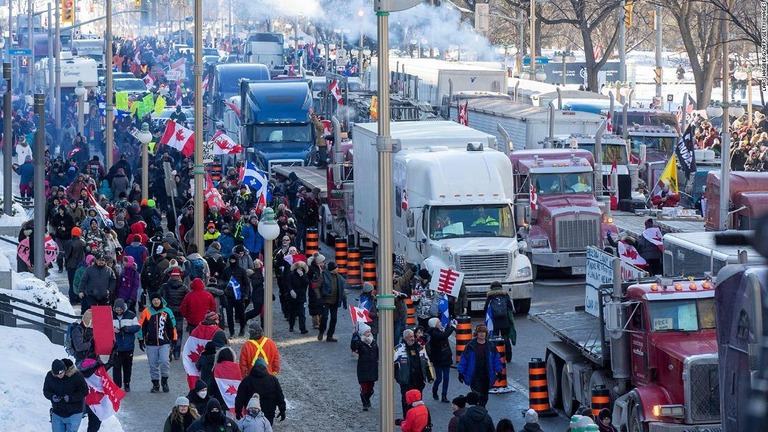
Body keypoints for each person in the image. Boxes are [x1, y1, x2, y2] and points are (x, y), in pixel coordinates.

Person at [139, 293, 177, 393]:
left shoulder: (167, 311)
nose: (156, 301)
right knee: (153, 364)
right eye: (154, 300)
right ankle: (155, 384)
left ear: (161, 300)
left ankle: (164, 381)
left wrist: (174, 339)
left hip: (164, 342)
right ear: (151, 301)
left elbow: (172, 326)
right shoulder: (147, 312)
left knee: (165, 361)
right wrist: (141, 339)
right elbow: (141, 326)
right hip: (151, 343)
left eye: (157, 299)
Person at [457, 324, 503, 407]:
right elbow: (464, 359)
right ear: (477, 334)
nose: (482, 334)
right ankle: (479, 409)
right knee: (477, 394)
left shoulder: (491, 346)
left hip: (486, 374)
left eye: (484, 332)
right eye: (480, 332)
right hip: (474, 375)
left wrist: (499, 371)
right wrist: (461, 372)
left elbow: (496, 359)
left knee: (485, 395)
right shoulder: (470, 346)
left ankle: (482, 409)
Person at [394, 328, 434, 418]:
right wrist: (398, 377)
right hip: (406, 380)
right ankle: (407, 418)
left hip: (419, 379)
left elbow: (427, 362)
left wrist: (430, 377)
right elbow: (391, 365)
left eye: (412, 336)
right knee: (406, 399)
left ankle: (417, 417)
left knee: (418, 399)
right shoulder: (398, 349)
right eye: (410, 337)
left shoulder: (420, 347)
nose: (412, 338)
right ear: (405, 338)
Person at [235, 359, 287, 425]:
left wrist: (238, 411)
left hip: (251, 414)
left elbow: (240, 397)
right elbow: (280, 396)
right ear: (265, 367)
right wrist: (282, 410)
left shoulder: (247, 380)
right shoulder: (273, 380)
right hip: (268, 414)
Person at [43, 358, 89, 432]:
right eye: (56, 375)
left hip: (74, 413)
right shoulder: (50, 376)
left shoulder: (76, 376)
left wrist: (71, 398)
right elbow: (46, 391)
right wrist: (52, 396)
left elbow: (85, 391)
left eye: (61, 373)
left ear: (65, 369)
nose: (59, 376)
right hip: (57, 412)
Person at [161, 266, 190, 359]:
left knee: (168, 331)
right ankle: (177, 353)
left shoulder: (165, 286)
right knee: (178, 333)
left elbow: (159, 297)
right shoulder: (184, 288)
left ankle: (169, 348)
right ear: (179, 277)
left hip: (168, 312)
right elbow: (188, 300)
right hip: (179, 313)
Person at [483, 281, 516, 363]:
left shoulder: (490, 297)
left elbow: (485, 308)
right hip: (505, 321)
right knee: (506, 338)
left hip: (494, 322)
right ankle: (508, 357)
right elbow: (510, 307)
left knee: (494, 339)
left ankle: (496, 356)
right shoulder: (505, 295)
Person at [220, 253, 252, 338]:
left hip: (239, 295)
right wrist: (224, 288)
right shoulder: (226, 270)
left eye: (234, 260)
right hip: (229, 296)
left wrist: (246, 294)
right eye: (231, 260)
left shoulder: (241, 271)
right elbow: (221, 281)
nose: (232, 261)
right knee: (229, 314)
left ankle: (242, 329)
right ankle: (232, 332)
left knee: (241, 314)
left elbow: (246, 283)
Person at [112, 298, 140, 392]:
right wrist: (112, 329)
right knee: (116, 367)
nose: (118, 312)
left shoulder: (131, 315)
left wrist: (126, 329)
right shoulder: (110, 316)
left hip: (128, 346)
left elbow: (137, 326)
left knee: (127, 366)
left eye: (120, 310)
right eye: (117, 310)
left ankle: (127, 383)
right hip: (116, 346)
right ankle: (117, 385)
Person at [350, 322, 379, 411]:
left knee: (371, 387)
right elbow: (353, 347)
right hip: (363, 366)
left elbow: (377, 351)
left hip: (372, 366)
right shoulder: (359, 341)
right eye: (367, 332)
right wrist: (354, 336)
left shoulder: (373, 341)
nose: (369, 333)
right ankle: (365, 402)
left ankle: (367, 398)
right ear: (363, 333)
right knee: (364, 386)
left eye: (369, 331)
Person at [318, 261, 348, 342]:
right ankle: (321, 331)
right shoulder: (323, 275)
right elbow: (317, 287)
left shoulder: (338, 277)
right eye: (335, 268)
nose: (337, 269)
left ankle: (330, 335)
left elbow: (341, 288)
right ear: (332, 269)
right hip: (326, 301)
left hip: (335, 301)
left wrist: (344, 298)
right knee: (324, 317)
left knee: (334, 319)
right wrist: (319, 297)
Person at [427, 317, 455, 403]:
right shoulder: (434, 333)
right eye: (438, 322)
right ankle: (435, 390)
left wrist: (448, 326)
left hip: (446, 357)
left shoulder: (439, 331)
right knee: (439, 378)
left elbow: (444, 334)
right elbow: (443, 336)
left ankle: (444, 395)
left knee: (446, 378)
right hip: (438, 358)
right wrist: (452, 327)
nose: (440, 323)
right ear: (435, 324)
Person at [63, 227, 87, 304]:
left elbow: (67, 255)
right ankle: (80, 299)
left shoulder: (69, 243)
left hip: (71, 265)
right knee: (80, 282)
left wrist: (65, 264)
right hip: (81, 265)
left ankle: (73, 300)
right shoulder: (83, 242)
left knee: (72, 282)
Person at [287, 260, 309, 333]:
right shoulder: (291, 275)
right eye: (298, 267)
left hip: (301, 296)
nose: (300, 269)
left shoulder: (304, 275)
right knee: (292, 313)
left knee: (302, 313)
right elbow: (288, 284)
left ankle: (303, 328)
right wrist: (291, 290)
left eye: (301, 268)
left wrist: (302, 275)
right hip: (293, 296)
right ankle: (291, 326)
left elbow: (306, 283)